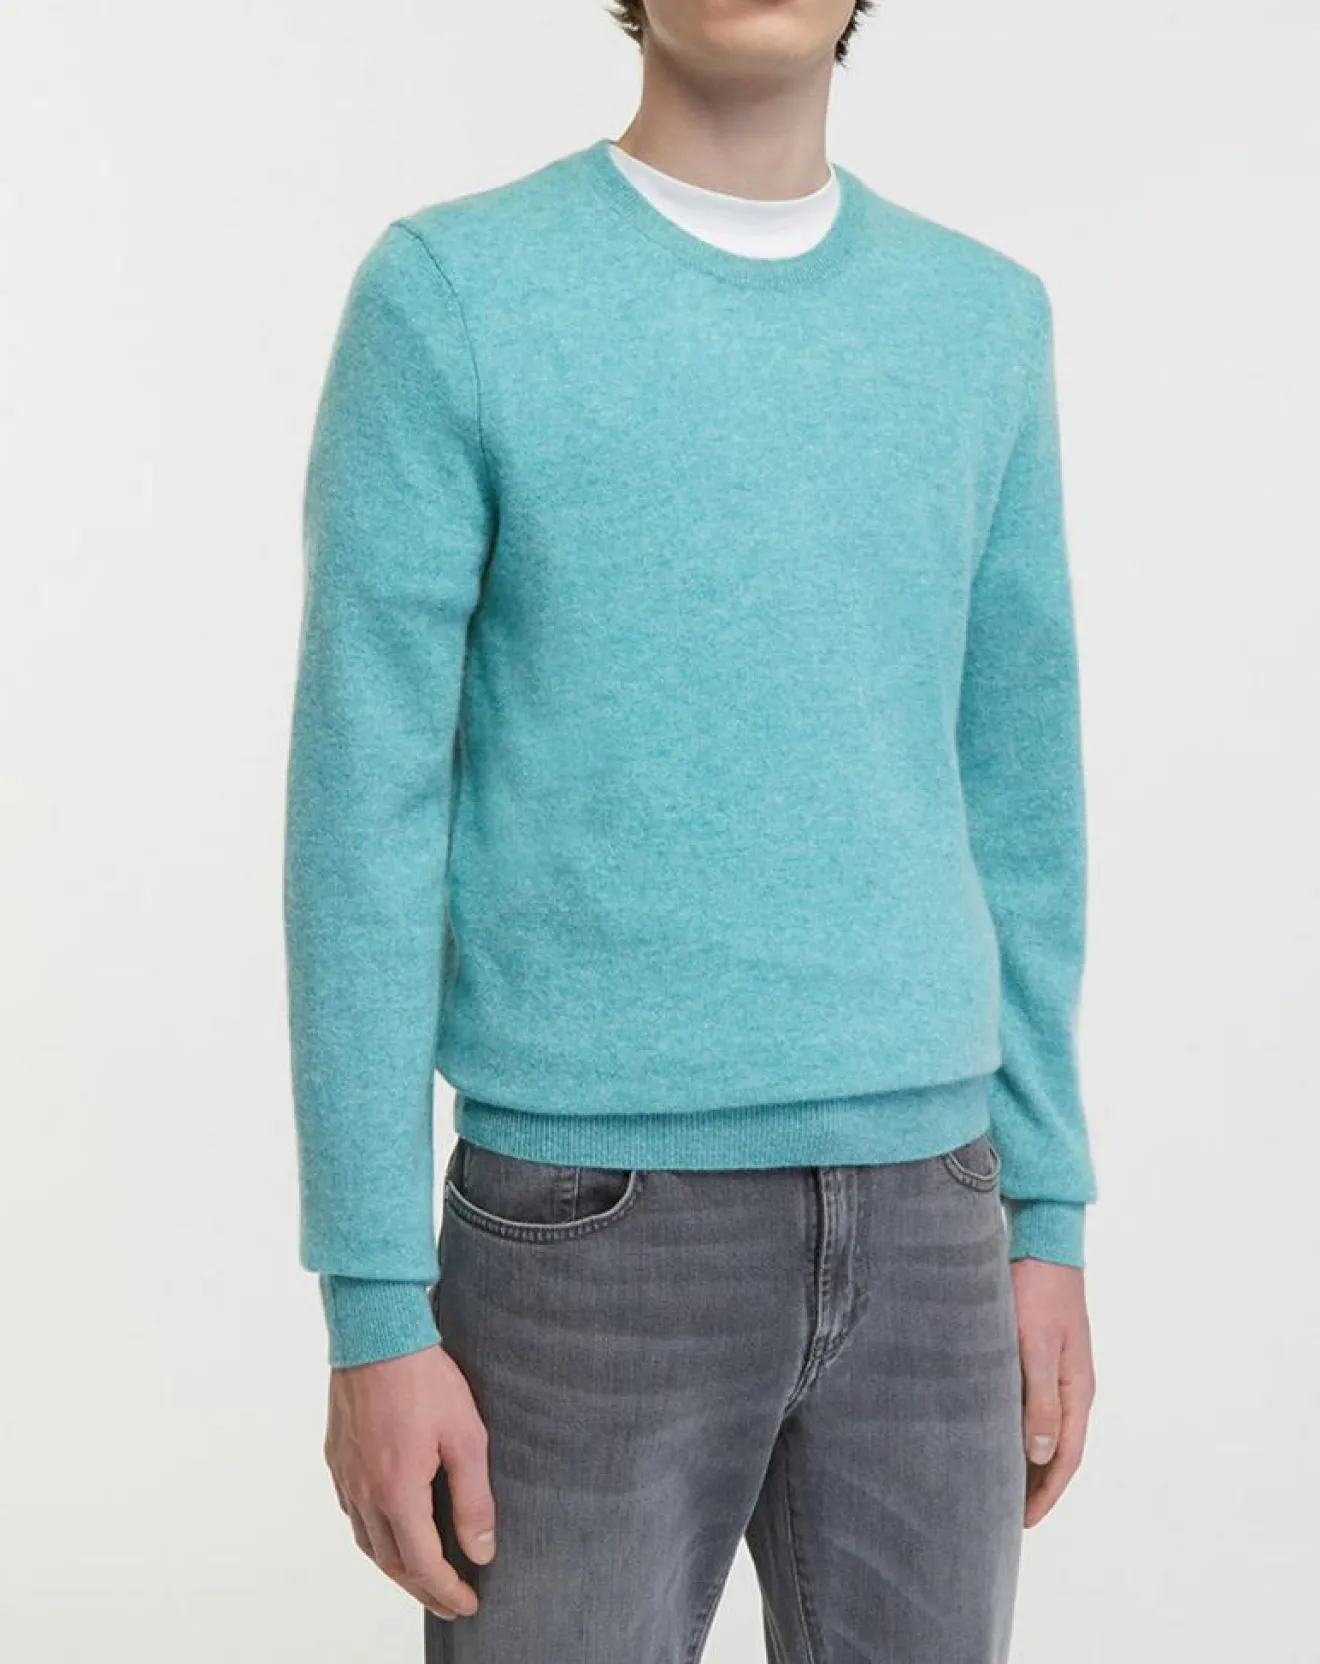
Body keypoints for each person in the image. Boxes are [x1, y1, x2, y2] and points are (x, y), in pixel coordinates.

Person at [282, 1, 1099, 1658]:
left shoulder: (982, 321)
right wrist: (373, 1304)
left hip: (937, 1213)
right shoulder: (454, 296)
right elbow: (364, 812)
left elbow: (1020, 790)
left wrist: (1049, 1215)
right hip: (585, 1228)